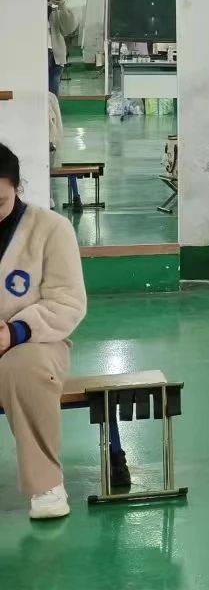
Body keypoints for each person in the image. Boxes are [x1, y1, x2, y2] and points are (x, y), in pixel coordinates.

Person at [0, 142, 88, 519]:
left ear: (17, 187)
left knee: (23, 368)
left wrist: (15, 332)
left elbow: (68, 302)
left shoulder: (51, 229)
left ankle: (46, 485)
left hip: (37, 342)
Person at [46, 0, 81, 208]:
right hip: (35, 57)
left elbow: (70, 28)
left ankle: (51, 138)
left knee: (52, 102)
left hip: (55, 59)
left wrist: (62, 7)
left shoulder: (57, 12)